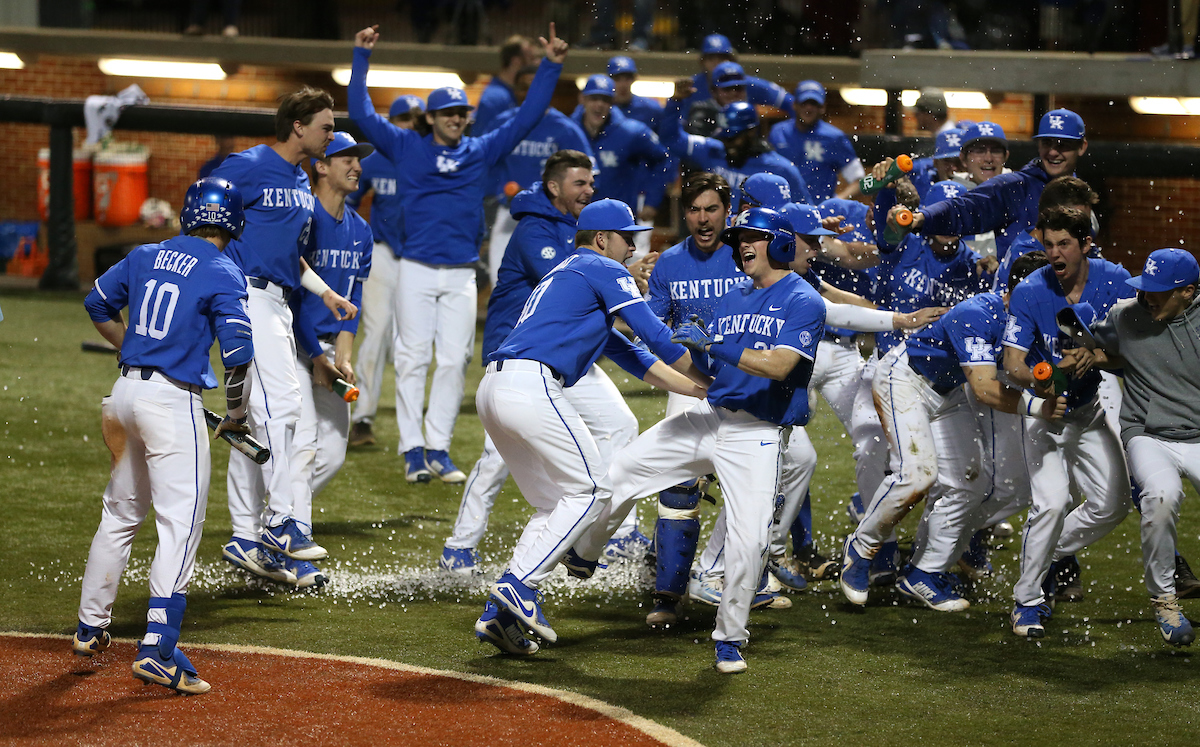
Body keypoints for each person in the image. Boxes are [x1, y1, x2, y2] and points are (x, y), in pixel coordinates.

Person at [574, 206, 827, 673]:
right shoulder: (733, 297)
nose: (741, 245)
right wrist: (677, 351)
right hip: (709, 417)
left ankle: (730, 637)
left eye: (753, 236)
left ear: (782, 244)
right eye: (738, 239)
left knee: (749, 541)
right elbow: (709, 371)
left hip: (757, 433)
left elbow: (779, 367)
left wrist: (711, 344)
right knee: (621, 471)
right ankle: (584, 553)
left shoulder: (804, 299)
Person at [474, 199, 708, 656]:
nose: (635, 247)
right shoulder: (600, 267)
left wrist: (701, 390)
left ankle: (498, 613)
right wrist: (712, 373)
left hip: (496, 387)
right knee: (591, 491)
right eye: (628, 238)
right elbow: (658, 336)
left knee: (552, 504)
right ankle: (520, 587)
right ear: (602, 239)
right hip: (531, 385)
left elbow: (637, 357)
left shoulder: (571, 273)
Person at [348, 23, 568, 484]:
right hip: (416, 268)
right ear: (430, 117)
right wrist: (361, 57)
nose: (454, 117)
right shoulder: (407, 146)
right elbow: (361, 114)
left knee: (453, 361)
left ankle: (439, 447)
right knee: (410, 359)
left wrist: (550, 66)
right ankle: (412, 449)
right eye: (446, 112)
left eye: (460, 112)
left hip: (461, 273)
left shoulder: (481, 150)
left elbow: (527, 116)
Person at [72, 177, 254, 695]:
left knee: (121, 512)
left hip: (123, 396)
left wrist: (126, 344)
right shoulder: (223, 269)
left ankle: (90, 626)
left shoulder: (145, 253)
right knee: (181, 524)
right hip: (172, 405)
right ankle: (157, 646)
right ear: (234, 223)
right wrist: (237, 415)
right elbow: (239, 356)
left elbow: (96, 303)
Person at [442, 150, 645, 573]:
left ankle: (610, 533)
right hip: (519, 355)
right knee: (499, 454)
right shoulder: (535, 229)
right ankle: (459, 547)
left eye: (591, 184)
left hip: (566, 354)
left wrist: (627, 273)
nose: (589, 191)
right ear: (554, 187)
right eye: (579, 184)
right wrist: (626, 275)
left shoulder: (582, 232)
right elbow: (575, 277)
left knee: (620, 425)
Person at [212, 86, 358, 586]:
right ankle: (280, 524)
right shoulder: (247, 164)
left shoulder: (299, 180)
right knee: (285, 408)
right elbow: (204, 216)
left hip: (278, 299)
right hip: (247, 295)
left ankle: (249, 537)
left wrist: (324, 293)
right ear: (298, 125)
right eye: (326, 125)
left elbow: (286, 253)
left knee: (259, 423)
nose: (332, 134)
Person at [865, 252, 1061, 612]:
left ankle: (924, 571)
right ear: (1019, 292)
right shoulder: (979, 312)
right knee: (915, 476)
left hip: (946, 392)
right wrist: (1038, 405)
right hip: (906, 379)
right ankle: (864, 550)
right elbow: (986, 388)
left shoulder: (1028, 321)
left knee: (971, 483)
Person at [1001, 206, 1135, 639]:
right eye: (1048, 244)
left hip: (1090, 408)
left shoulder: (1115, 279)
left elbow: (1132, 351)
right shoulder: (1029, 291)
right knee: (1053, 502)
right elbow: (1014, 363)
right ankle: (1027, 600)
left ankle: (1043, 553)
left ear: (1086, 245)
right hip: (1047, 414)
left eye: (1064, 244)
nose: (1054, 253)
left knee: (1114, 503)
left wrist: (1094, 356)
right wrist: (1044, 384)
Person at [1084, 249, 1200, 646]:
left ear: (1187, 292)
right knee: (1161, 495)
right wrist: (1089, 350)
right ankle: (1165, 599)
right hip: (1148, 433)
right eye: (1144, 288)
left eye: (1159, 291)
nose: (1147, 297)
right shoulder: (1126, 314)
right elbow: (1089, 340)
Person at [288, 132, 375, 588]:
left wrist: (343, 357)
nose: (356, 166)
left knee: (333, 455)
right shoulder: (303, 219)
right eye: (345, 158)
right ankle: (291, 542)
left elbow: (353, 301)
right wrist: (314, 358)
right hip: (289, 342)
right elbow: (294, 298)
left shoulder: (361, 230)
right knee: (302, 447)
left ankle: (277, 521)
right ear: (320, 166)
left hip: (326, 349)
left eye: (359, 159)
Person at [903, 108, 1089, 267]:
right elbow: (967, 207)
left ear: (1082, 147)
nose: (1053, 151)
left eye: (1063, 144)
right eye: (1047, 143)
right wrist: (922, 218)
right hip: (1015, 294)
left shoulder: (1080, 194)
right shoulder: (1016, 186)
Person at [347, 95, 424, 448]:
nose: (410, 122)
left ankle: (418, 427)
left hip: (421, 260)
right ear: (390, 122)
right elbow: (347, 199)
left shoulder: (430, 159)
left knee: (416, 343)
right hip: (382, 253)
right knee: (375, 334)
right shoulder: (375, 160)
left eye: (415, 117)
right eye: (403, 117)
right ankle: (362, 417)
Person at [486, 67, 593, 286]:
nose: (529, 93)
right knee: (502, 278)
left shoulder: (564, 127)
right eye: (523, 88)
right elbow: (484, 163)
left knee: (554, 277)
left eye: (535, 88)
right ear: (515, 90)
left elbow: (589, 173)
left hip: (552, 217)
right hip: (508, 212)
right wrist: (498, 190)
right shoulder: (503, 123)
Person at [661, 87, 811, 209]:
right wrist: (675, 102)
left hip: (756, 242)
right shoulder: (714, 150)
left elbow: (804, 214)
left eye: (733, 137)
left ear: (751, 132)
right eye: (725, 137)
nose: (728, 143)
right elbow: (671, 139)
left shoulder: (781, 169)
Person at [572, 74, 670, 258]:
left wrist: (652, 199)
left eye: (605, 99)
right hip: (576, 222)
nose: (599, 105)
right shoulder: (568, 131)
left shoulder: (631, 132)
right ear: (582, 99)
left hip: (619, 224)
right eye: (594, 98)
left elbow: (663, 159)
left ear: (612, 102)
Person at [768, 80, 865, 202]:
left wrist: (836, 202)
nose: (809, 108)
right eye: (804, 103)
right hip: (782, 209)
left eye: (814, 104)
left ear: (822, 108)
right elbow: (766, 171)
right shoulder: (778, 132)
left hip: (819, 213)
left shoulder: (834, 137)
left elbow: (858, 180)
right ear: (794, 105)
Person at [675, 34, 794, 120]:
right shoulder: (692, 86)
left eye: (722, 58)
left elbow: (791, 103)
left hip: (744, 146)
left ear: (732, 60)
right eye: (711, 58)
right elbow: (678, 127)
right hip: (707, 146)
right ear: (702, 62)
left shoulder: (748, 83)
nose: (717, 63)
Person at [474, 35, 537, 135]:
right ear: (516, 61)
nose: (536, 63)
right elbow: (481, 140)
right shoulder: (495, 97)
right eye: (531, 58)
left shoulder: (513, 93)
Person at [607, 55, 663, 130]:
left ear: (634, 79)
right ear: (608, 80)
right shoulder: (601, 107)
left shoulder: (651, 108)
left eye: (628, 78)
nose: (623, 84)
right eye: (617, 79)